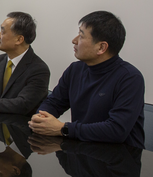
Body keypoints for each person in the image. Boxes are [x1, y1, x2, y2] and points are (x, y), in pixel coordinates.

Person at [29, 11, 145, 148]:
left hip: (118, 160)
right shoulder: (75, 70)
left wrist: (63, 128)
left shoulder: (130, 78)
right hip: (82, 150)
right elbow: (53, 102)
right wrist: (41, 118)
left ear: (101, 47)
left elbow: (116, 130)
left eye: (81, 36)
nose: (74, 40)